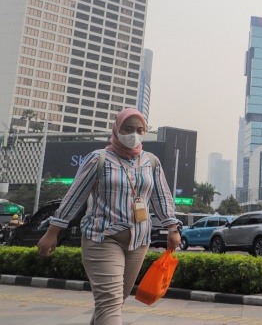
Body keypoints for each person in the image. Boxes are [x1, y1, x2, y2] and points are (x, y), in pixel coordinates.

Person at [36, 108, 180, 325]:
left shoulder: (151, 162)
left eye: (140, 130)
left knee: (113, 302)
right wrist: (52, 232)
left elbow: (162, 197)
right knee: (110, 302)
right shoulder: (98, 159)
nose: (134, 134)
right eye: (128, 129)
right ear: (117, 129)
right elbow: (74, 196)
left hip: (138, 241)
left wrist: (172, 228)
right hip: (102, 238)